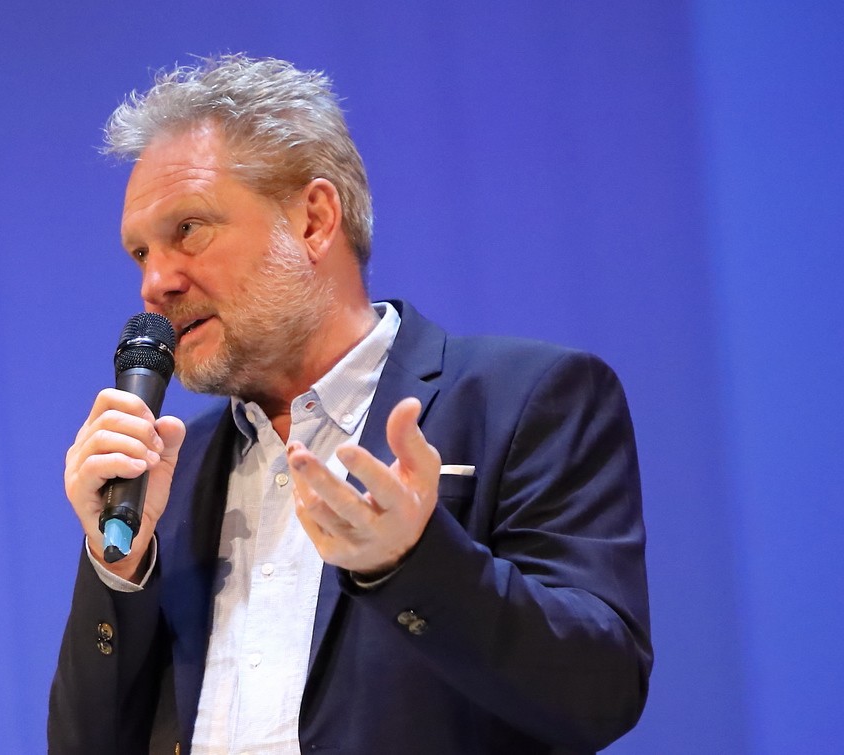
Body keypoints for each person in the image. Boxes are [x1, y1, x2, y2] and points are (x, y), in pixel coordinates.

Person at [49, 55, 651, 754]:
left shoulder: (527, 401)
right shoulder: (165, 477)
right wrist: (116, 568)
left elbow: (601, 693)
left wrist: (413, 561)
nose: (155, 283)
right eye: (139, 253)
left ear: (313, 220)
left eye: (188, 229)